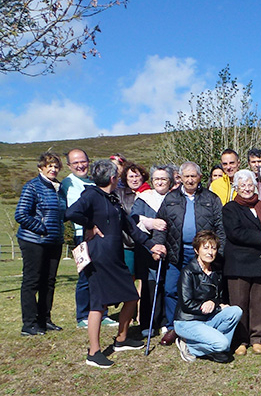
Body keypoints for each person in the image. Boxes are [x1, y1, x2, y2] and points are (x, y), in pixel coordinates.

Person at [66, 159, 165, 368]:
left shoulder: (112, 198)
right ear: (113, 178)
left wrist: (150, 245)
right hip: (98, 257)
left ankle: (121, 339)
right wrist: (90, 225)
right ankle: (93, 352)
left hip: (115, 257)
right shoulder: (91, 194)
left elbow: (130, 227)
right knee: (98, 304)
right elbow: (71, 213)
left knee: (131, 296)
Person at [152, 161, 226, 347]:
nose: (190, 180)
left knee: (199, 291)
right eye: (187, 176)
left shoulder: (211, 198)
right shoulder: (171, 198)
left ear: (200, 177)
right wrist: (158, 244)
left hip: (202, 255)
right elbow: (161, 224)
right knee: (171, 289)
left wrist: (219, 252)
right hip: (176, 252)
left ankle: (197, 325)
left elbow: (220, 228)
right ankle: (172, 327)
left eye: (194, 176)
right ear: (180, 178)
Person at [222, 169, 261, 356]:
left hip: (260, 261)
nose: (246, 188)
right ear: (236, 187)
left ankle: (257, 338)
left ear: (255, 186)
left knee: (259, 303)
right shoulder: (230, 208)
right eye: (242, 185)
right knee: (239, 304)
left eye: (250, 185)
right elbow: (235, 233)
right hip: (238, 263)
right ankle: (240, 340)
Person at [16, 152, 65, 336]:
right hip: (33, 240)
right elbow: (21, 214)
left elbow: (61, 214)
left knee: (49, 281)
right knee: (32, 281)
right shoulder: (32, 187)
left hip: (54, 241)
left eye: (56, 166)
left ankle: (45, 319)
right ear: (41, 168)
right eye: (49, 166)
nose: (53, 169)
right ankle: (29, 324)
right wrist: (42, 228)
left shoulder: (59, 189)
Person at [174, 230, 243, 363]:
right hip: (188, 321)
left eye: (213, 248)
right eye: (205, 248)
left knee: (235, 311)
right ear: (196, 250)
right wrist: (215, 308)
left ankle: (218, 347)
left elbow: (219, 297)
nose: (210, 252)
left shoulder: (216, 271)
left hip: (207, 318)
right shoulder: (188, 272)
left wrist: (214, 302)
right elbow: (186, 304)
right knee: (222, 343)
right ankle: (189, 346)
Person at [60, 148, 110, 329]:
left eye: (83, 161)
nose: (80, 165)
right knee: (85, 275)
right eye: (75, 163)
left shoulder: (93, 181)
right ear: (69, 166)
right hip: (83, 234)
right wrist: (89, 225)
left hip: (100, 233)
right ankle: (82, 315)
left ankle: (102, 313)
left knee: (101, 274)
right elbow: (69, 212)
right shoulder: (67, 184)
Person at [130, 165, 175, 337]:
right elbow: (134, 219)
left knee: (167, 285)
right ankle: (147, 323)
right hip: (148, 248)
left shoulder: (174, 197)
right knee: (150, 286)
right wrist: (151, 222)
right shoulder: (144, 198)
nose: (160, 182)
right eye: (156, 179)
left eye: (163, 179)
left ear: (169, 180)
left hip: (170, 247)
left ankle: (164, 320)